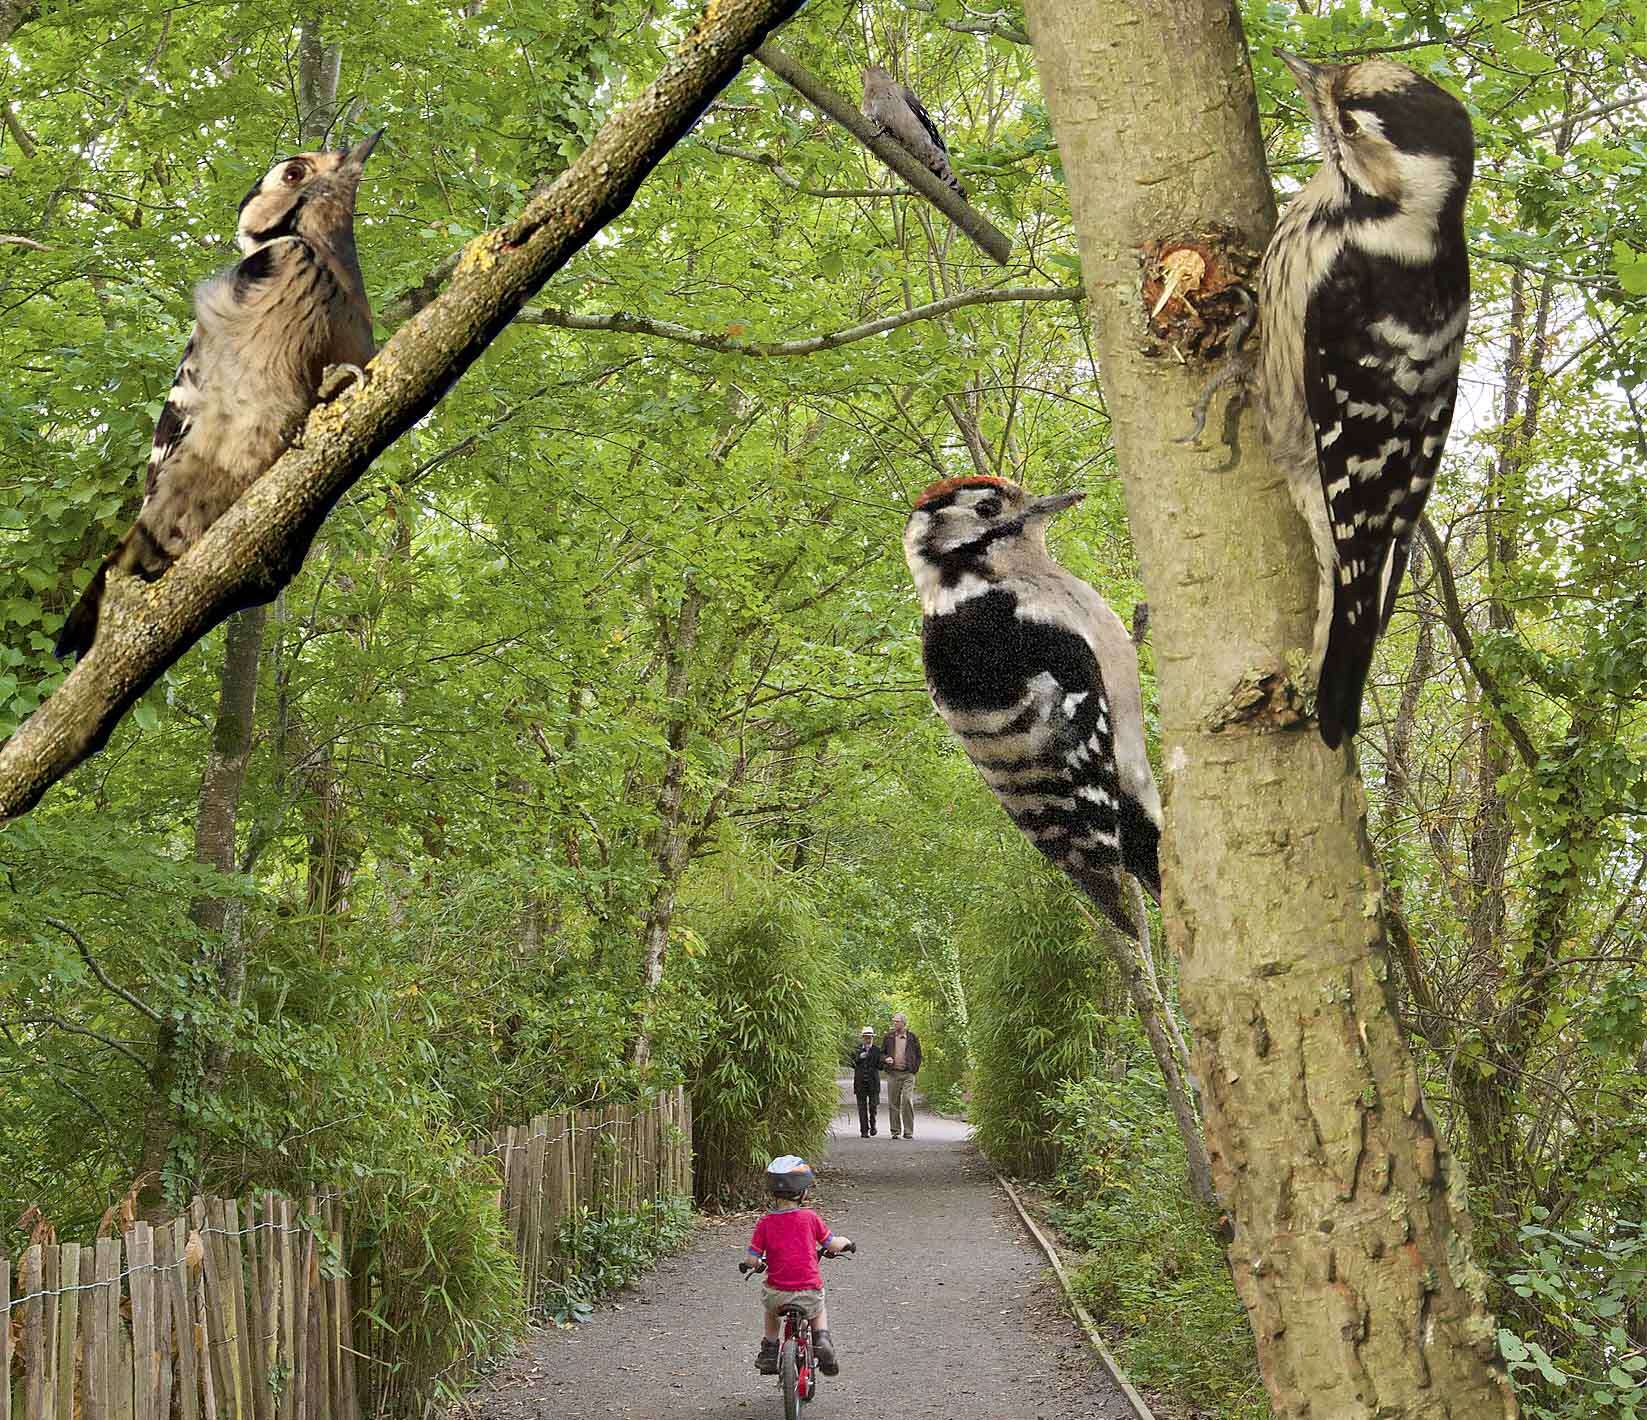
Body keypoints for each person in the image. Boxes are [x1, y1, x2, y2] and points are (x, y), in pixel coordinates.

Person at [742, 1155, 852, 1376]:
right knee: (818, 1307)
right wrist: (847, 1243)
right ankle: (822, 1340)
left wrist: (751, 1265)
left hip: (777, 1295)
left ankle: (770, 1350)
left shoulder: (765, 1223)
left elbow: (752, 1260)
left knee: (771, 1311)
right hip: (808, 1291)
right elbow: (832, 1245)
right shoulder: (810, 1218)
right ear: (803, 1191)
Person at [880, 1013, 922, 1140]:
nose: (895, 1024)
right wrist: (886, 1058)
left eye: (897, 1021)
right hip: (893, 1073)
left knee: (907, 1100)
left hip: (908, 1073)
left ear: (904, 1023)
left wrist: (914, 1069)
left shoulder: (912, 1037)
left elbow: (919, 1055)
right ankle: (895, 1131)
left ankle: (908, 1131)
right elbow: (882, 1053)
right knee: (893, 1103)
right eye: (894, 1021)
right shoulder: (888, 1037)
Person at [851, 1025, 882, 1137]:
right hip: (860, 1083)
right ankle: (864, 1131)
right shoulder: (857, 1050)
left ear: (872, 1038)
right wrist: (860, 1057)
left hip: (873, 1082)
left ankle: (873, 1125)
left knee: (873, 1106)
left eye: (869, 1037)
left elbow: (880, 1066)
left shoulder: (877, 1050)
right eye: (866, 1037)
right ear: (862, 1038)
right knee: (861, 1107)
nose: (868, 1039)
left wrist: (886, 1060)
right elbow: (851, 1063)